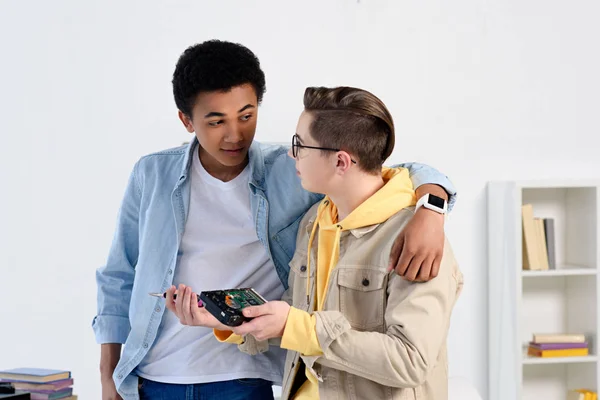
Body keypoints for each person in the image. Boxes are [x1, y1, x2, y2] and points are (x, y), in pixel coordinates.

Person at [94, 40, 457, 400]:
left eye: (247, 116)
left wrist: (431, 210)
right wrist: (107, 375)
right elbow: (118, 276)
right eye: (216, 121)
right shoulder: (153, 174)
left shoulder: (292, 171)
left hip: (246, 372)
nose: (235, 134)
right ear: (186, 120)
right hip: (155, 373)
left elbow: (380, 165)